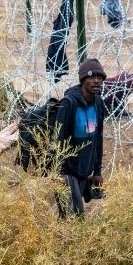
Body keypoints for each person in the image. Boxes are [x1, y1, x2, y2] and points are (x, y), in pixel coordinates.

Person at [54, 58, 107, 217]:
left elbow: (99, 138)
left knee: (70, 216)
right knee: (75, 215)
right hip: (67, 169)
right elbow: (58, 138)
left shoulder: (98, 103)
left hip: (86, 168)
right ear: (83, 80)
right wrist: (59, 173)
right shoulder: (69, 103)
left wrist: (97, 171)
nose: (97, 81)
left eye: (100, 77)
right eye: (92, 77)